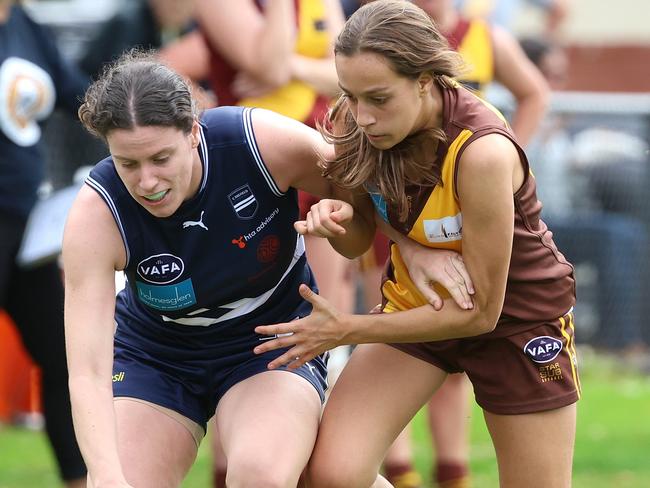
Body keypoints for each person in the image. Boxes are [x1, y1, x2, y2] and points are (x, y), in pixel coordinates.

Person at [253, 2, 580, 487]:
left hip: (516, 320)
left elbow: (480, 313)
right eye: (350, 95)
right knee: (328, 476)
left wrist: (346, 327)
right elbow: (360, 234)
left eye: (378, 98)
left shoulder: (482, 150)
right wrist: (342, 222)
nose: (361, 116)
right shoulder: (354, 122)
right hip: (418, 309)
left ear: (426, 79)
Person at [62, 50, 368, 488]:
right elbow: (88, 369)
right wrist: (107, 475)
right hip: (156, 352)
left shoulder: (261, 143)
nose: (147, 181)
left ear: (192, 132)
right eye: (128, 164)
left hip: (271, 337)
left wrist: (358, 230)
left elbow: (369, 207)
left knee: (261, 475)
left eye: (161, 158)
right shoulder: (96, 214)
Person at [0, 1, 88, 486]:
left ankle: (81, 478)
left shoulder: (24, 24)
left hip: (25, 223)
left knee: (62, 356)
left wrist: (140, 102)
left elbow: (79, 95)